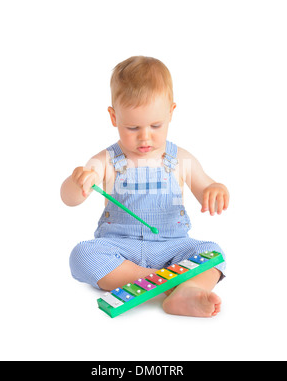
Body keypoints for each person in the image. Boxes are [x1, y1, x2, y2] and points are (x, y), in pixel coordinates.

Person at [60, 56, 229, 317]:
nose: (145, 136)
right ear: (114, 117)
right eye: (133, 127)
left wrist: (215, 189)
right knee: (81, 255)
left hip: (172, 246)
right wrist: (77, 182)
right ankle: (169, 285)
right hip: (119, 247)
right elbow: (69, 199)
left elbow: (206, 185)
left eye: (156, 125)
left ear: (171, 112)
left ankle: (186, 289)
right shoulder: (106, 161)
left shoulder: (181, 159)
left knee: (213, 253)